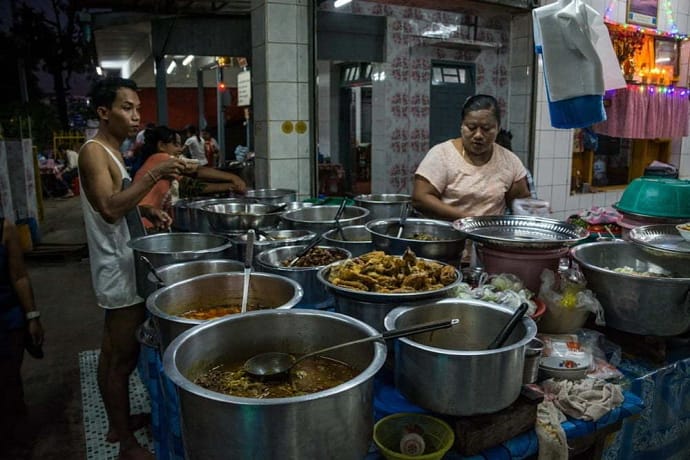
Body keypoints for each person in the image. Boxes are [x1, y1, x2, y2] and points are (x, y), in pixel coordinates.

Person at [78, 76, 191, 460]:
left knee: (113, 353)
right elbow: (108, 208)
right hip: (116, 266)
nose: (136, 116)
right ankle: (125, 442)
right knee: (120, 358)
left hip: (123, 260)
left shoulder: (111, 152)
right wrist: (154, 176)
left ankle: (116, 424)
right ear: (103, 111)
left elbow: (116, 202)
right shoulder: (93, 152)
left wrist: (146, 208)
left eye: (138, 109)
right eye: (127, 108)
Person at [412, 94, 531, 221]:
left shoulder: (509, 161)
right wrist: (468, 221)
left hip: (490, 236)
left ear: (497, 129)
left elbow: (521, 203)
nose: (478, 135)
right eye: (471, 128)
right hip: (449, 235)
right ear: (462, 126)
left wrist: (535, 208)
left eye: (486, 129)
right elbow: (420, 198)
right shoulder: (442, 155)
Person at [133, 125, 247, 231]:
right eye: (175, 144)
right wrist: (233, 178)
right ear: (161, 145)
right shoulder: (161, 158)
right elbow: (196, 171)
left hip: (147, 224)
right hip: (145, 224)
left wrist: (229, 187)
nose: (180, 149)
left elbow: (190, 186)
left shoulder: (161, 167)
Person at [0, 218, 45, 453]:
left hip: (7, 321)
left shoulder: (5, 227)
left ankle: (16, 444)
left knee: (9, 385)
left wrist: (32, 316)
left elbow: (19, 276)